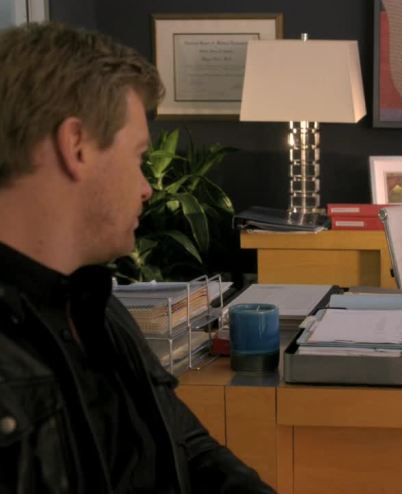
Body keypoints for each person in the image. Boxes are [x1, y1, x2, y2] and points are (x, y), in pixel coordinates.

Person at [0, 23, 275, 493]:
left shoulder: (98, 308)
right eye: (138, 156)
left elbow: (188, 446)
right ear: (76, 146)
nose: (147, 187)